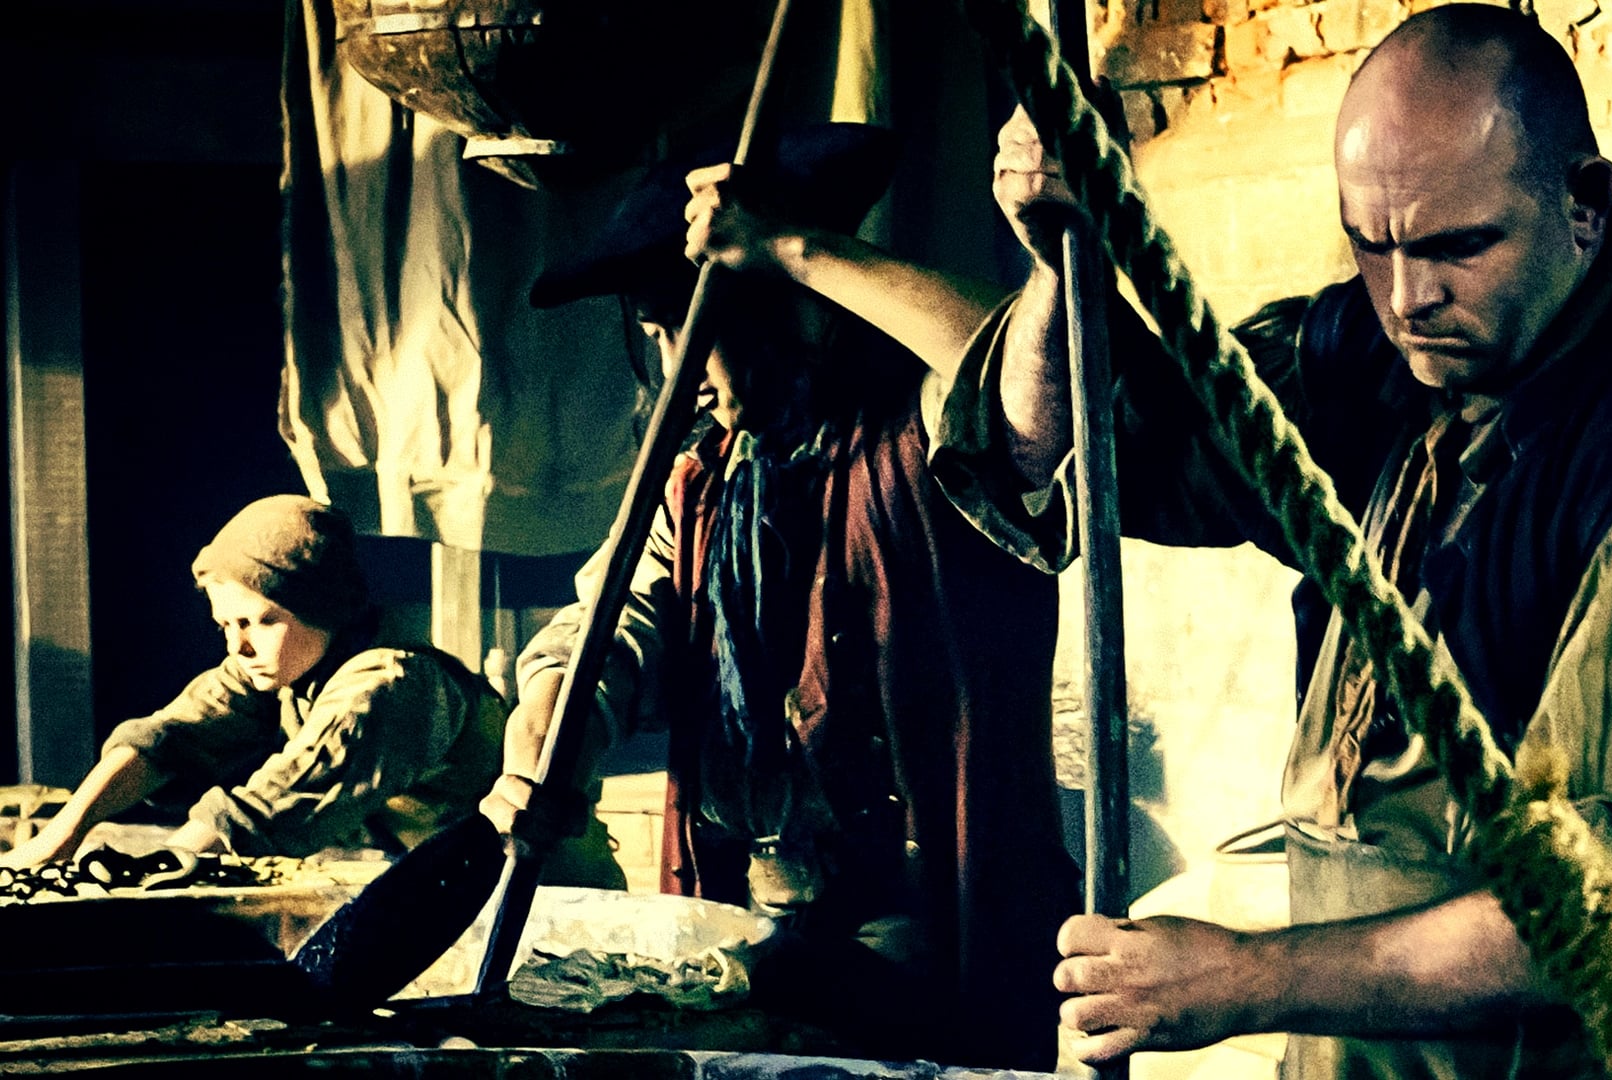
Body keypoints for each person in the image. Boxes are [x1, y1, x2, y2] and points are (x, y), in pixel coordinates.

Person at [923, 6, 1612, 1079]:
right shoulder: (1380, 366)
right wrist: (1063, 259)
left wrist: (1240, 978)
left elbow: (1610, 918)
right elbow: (1061, 450)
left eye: (1459, 246)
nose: (1410, 297)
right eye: (1374, 244)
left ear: (1584, 205)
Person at [479, 122, 1076, 1070]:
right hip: (756, 937)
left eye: (678, 326)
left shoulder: (929, 440)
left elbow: (1035, 369)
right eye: (653, 331)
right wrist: (554, 725)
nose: (668, 364)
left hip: (940, 950)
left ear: (774, 307)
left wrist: (797, 249)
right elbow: (614, 625)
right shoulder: (708, 479)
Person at [0, 495, 508, 869]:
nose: (238, 647)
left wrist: (150, 873)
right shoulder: (285, 664)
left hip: (516, 899)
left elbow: (270, 807)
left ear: (321, 608)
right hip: (418, 879)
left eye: (261, 621)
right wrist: (60, 837)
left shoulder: (393, 685)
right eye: (226, 624)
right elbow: (168, 738)